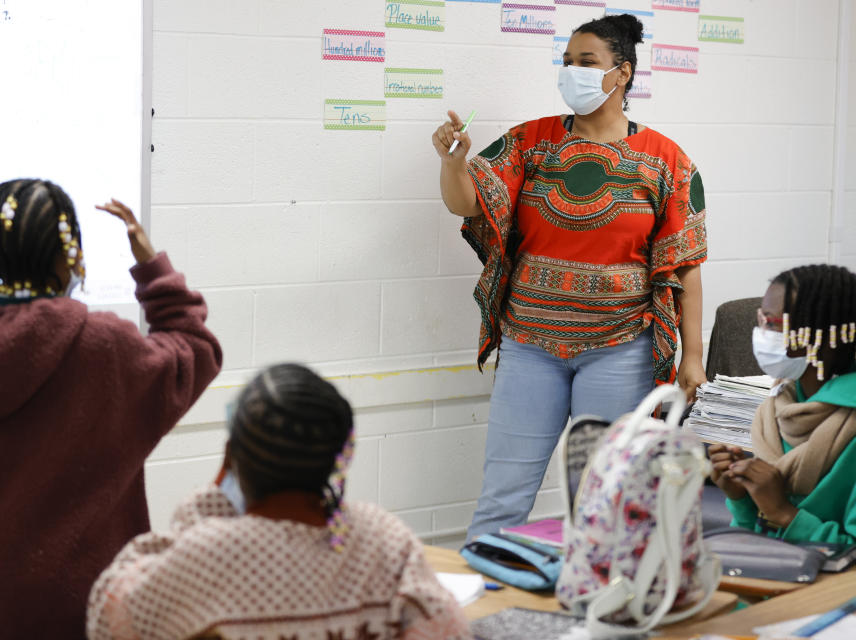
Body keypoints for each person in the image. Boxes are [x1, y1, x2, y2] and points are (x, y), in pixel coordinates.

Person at [0, 179, 222, 639]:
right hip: (87, 622)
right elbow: (195, 349)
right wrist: (151, 266)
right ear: (69, 257)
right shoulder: (103, 349)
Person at [431, 13, 708, 540]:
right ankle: (479, 609)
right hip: (530, 344)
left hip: (621, 348)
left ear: (622, 73)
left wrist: (693, 357)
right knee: (502, 496)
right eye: (566, 63)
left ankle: (593, 607)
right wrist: (454, 163)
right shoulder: (530, 143)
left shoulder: (666, 161)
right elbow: (465, 203)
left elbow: (685, 265)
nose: (572, 72)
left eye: (587, 62)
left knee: (602, 501)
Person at [87, 363, 472, 640]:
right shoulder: (385, 538)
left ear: (232, 461)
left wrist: (207, 506)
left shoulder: (201, 556)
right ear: (341, 456)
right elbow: (449, 629)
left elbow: (109, 616)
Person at [710, 264, 856, 543]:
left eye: (772, 323)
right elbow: (756, 540)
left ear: (818, 336)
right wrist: (743, 497)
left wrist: (784, 512)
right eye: (761, 318)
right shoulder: (777, 408)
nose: (760, 330)